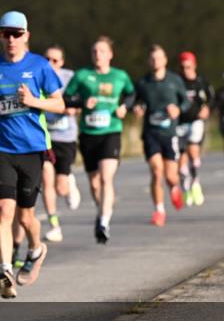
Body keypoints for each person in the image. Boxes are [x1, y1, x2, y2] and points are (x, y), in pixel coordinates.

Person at [0, 12, 64, 297]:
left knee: (26, 217)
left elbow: (59, 104)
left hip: (32, 149)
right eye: (6, 34)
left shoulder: (39, 66)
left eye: (17, 34)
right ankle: (4, 270)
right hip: (1, 148)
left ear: (26, 35)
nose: (11, 39)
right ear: (0, 35)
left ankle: (37, 249)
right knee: (4, 211)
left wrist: (32, 101)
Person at [62, 37, 135, 244]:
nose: (98, 55)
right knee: (94, 184)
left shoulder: (120, 76)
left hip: (111, 132)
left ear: (110, 54)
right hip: (88, 135)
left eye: (102, 51)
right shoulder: (82, 75)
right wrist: (83, 101)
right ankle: (101, 210)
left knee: (105, 178)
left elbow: (131, 94)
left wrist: (125, 107)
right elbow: (67, 97)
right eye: (94, 51)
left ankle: (104, 221)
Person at [133, 45, 189, 227]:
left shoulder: (174, 80)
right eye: (152, 58)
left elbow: (187, 101)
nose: (156, 61)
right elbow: (136, 101)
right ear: (149, 61)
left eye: (159, 58)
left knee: (171, 176)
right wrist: (137, 109)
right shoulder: (143, 83)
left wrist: (178, 110)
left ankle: (174, 187)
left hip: (170, 134)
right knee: (157, 172)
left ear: (165, 60)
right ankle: (159, 210)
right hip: (150, 133)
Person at [39, 45, 82, 244]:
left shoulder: (69, 78)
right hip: (45, 137)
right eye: (47, 59)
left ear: (62, 62)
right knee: (47, 180)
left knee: (61, 188)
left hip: (66, 138)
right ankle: (54, 225)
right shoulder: (38, 76)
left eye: (55, 60)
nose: (50, 63)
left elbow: (81, 99)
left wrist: (75, 108)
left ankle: (69, 180)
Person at [176, 52, 213, 206]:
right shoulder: (177, 82)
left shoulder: (202, 81)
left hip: (196, 121)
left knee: (193, 148)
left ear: (194, 65)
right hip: (179, 123)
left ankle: (196, 181)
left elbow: (211, 99)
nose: (186, 70)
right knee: (181, 157)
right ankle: (186, 183)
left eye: (189, 66)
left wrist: (207, 108)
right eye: (183, 67)